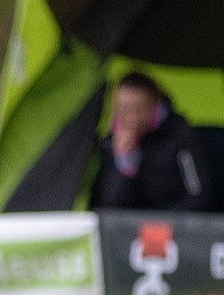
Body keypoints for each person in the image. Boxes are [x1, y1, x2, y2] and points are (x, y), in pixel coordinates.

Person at [92, 72, 215, 213]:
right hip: (128, 225)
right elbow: (107, 206)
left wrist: (158, 222)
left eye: (140, 109)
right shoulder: (108, 144)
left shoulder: (182, 137)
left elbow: (201, 197)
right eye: (124, 109)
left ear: (156, 103)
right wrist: (125, 163)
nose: (132, 118)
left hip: (174, 222)